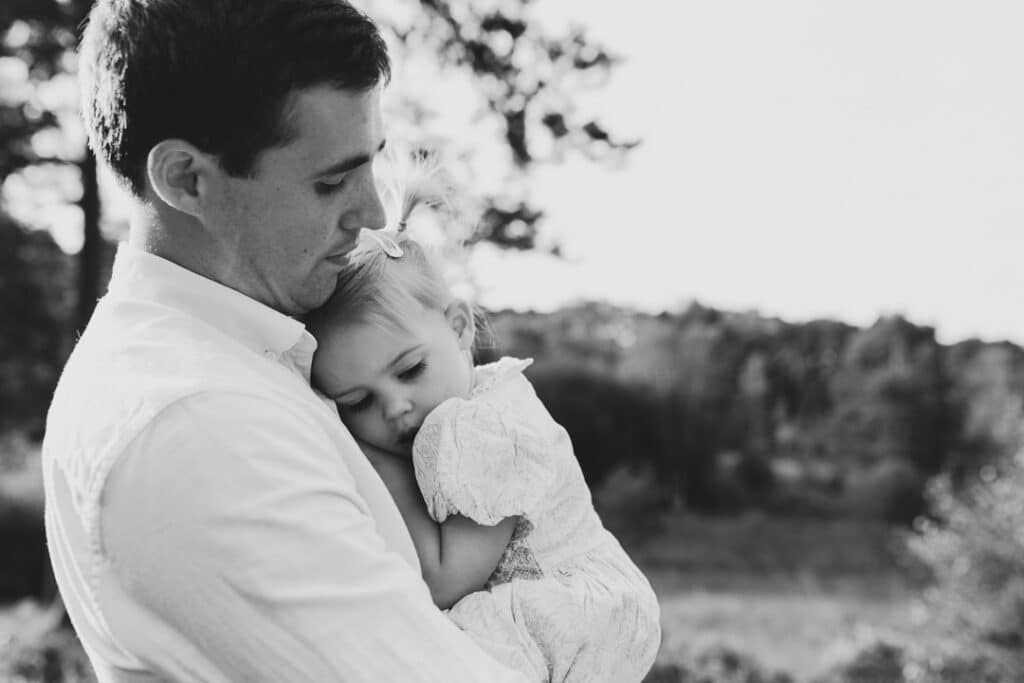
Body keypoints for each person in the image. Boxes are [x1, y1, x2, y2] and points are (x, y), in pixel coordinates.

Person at [42, 1, 530, 680]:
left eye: (371, 163)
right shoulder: (197, 422)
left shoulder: (242, 361)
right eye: (331, 182)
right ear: (186, 178)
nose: (375, 214)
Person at [306, 228, 663, 682]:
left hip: (565, 615)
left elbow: (444, 580)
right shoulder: (462, 408)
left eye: (410, 370)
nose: (395, 407)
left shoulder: (485, 431)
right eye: (358, 402)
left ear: (459, 326)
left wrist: (377, 464)